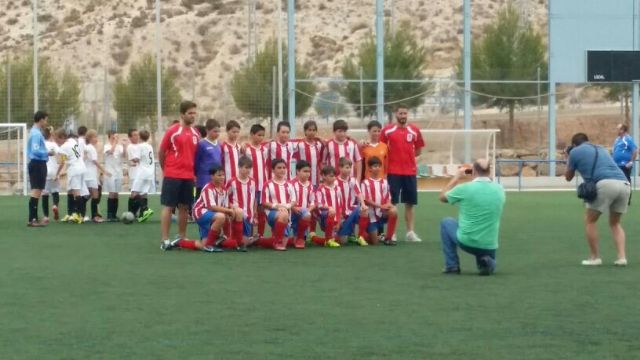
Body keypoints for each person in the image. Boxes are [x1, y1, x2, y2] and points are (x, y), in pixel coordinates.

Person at [565, 133, 631, 266]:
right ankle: (622, 257)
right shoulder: (601, 148)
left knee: (590, 220)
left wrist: (569, 157)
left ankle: (595, 257)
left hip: (605, 184)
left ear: (573, 144)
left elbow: (568, 176)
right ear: (587, 141)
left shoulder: (575, 152)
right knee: (615, 223)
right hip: (624, 184)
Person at [438, 159, 505, 276]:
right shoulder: (500, 190)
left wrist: (456, 177)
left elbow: (442, 197)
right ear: (489, 171)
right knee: (486, 260)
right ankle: (487, 262)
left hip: (468, 241)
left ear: (473, 171)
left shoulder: (465, 188)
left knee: (446, 222)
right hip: (490, 244)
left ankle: (452, 266)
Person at [159, 100, 201, 250]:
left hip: (188, 176)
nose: (193, 116)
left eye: (194, 113)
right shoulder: (173, 131)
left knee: (184, 207)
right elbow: (161, 152)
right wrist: (166, 170)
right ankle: (164, 239)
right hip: (172, 175)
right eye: (190, 113)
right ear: (182, 115)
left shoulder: (196, 133)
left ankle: (182, 237)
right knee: (168, 206)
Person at [380, 104, 425, 242]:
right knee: (392, 203)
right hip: (393, 172)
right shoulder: (388, 131)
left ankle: (410, 232)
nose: (403, 116)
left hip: (410, 172)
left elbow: (418, 151)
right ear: (395, 114)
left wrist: (408, 159)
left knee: (409, 203)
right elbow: (382, 149)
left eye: (405, 113)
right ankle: (391, 233)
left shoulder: (414, 130)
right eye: (400, 113)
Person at [168, 166, 234, 253]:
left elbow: (225, 207)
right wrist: (228, 211)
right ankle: (210, 245)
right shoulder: (208, 188)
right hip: (200, 214)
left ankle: (181, 242)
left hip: (211, 216)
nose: (222, 177)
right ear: (212, 176)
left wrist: (230, 209)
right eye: (219, 175)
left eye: (223, 175)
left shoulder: (224, 190)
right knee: (221, 216)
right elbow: (211, 207)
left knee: (203, 244)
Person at [259, 159, 296, 251]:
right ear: (273, 170)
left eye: (284, 168)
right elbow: (264, 202)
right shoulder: (267, 184)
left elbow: (294, 201)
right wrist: (278, 206)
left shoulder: (289, 184)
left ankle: (258, 241)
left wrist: (287, 206)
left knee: (285, 243)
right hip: (272, 213)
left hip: (286, 213)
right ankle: (277, 241)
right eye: (279, 168)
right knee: (283, 214)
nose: (282, 170)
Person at [361, 157, 398, 246]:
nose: (377, 168)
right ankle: (364, 235)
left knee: (394, 210)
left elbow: (388, 197)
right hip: (371, 217)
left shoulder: (384, 182)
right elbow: (365, 200)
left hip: (382, 213)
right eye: (374, 166)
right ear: (369, 168)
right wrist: (380, 206)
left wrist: (388, 205)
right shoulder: (365, 183)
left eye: (379, 166)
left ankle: (388, 238)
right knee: (374, 243)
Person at [226, 156, 258, 251]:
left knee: (245, 241)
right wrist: (231, 208)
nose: (248, 170)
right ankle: (233, 241)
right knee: (241, 241)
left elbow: (254, 198)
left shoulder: (252, 182)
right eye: (246, 167)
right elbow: (225, 197)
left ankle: (225, 242)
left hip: (249, 215)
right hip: (237, 214)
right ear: (239, 167)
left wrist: (255, 212)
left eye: (249, 168)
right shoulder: (232, 181)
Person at [336, 157, 369, 246]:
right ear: (340, 168)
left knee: (364, 210)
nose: (349, 170)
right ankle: (348, 233)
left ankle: (361, 237)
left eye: (350, 167)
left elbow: (359, 193)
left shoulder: (353, 180)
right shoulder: (335, 181)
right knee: (343, 241)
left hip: (351, 210)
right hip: (341, 213)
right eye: (346, 167)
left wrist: (363, 204)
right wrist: (339, 214)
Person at [55, 129, 86, 224]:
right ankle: (71, 214)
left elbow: (62, 162)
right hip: (81, 168)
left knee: (77, 193)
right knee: (70, 190)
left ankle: (81, 216)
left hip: (74, 170)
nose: (57, 142)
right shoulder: (72, 141)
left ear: (63, 137)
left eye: (58, 139)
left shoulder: (63, 147)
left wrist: (57, 174)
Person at [26, 111, 51, 227]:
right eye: (45, 119)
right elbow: (35, 150)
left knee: (38, 191)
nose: (46, 122)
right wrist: (48, 152)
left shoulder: (35, 132)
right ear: (41, 120)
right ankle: (32, 219)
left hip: (38, 163)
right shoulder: (36, 133)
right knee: (36, 191)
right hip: (37, 163)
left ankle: (33, 218)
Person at [244, 124, 268, 238]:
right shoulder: (246, 149)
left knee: (261, 211)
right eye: (259, 135)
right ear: (252, 135)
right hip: (250, 186)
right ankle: (249, 234)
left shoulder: (265, 149)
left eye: (263, 135)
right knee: (250, 210)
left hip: (262, 185)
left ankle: (260, 235)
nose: (261, 138)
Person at [310, 165, 343, 248]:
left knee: (340, 240)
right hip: (325, 217)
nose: (334, 178)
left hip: (336, 218)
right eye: (331, 176)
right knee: (331, 211)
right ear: (323, 176)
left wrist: (339, 222)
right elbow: (319, 204)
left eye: (334, 176)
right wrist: (329, 208)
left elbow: (340, 205)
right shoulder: (320, 189)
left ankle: (314, 238)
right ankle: (327, 239)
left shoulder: (338, 189)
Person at [85, 130, 111, 223]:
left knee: (88, 194)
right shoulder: (91, 148)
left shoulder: (86, 147)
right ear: (90, 138)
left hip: (87, 174)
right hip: (90, 174)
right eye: (95, 137)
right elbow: (95, 162)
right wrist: (104, 171)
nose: (97, 139)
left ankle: (80, 213)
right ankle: (94, 216)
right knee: (95, 195)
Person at [130, 130, 155, 223]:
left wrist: (131, 159)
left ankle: (145, 209)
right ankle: (143, 215)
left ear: (140, 137)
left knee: (134, 193)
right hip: (150, 172)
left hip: (142, 172)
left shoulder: (140, 146)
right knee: (144, 193)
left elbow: (136, 159)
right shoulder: (149, 146)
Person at [289, 160, 315, 249]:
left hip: (304, 214)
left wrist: (308, 211)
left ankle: (300, 238)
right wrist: (294, 208)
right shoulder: (291, 184)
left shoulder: (311, 185)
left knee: (307, 215)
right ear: (297, 171)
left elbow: (313, 202)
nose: (307, 174)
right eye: (305, 171)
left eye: (309, 171)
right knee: (286, 240)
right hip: (291, 213)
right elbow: (287, 200)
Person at [194, 119, 222, 200]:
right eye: (215, 131)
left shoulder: (219, 144)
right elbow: (196, 162)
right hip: (203, 180)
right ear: (207, 130)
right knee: (201, 204)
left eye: (218, 131)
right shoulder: (201, 144)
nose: (217, 134)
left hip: (215, 181)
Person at [294, 120, 324, 187]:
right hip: (302, 181)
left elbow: (320, 162)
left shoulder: (319, 144)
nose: (312, 132)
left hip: (315, 181)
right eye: (309, 130)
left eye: (314, 130)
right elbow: (294, 161)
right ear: (305, 131)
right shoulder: (300, 145)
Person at [103, 130, 124, 221]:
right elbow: (110, 152)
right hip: (110, 172)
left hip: (118, 172)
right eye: (113, 137)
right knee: (111, 192)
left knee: (116, 193)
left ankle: (114, 214)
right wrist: (114, 143)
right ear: (109, 137)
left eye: (116, 137)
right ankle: (110, 215)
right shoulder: (106, 146)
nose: (115, 139)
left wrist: (125, 145)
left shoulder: (120, 147)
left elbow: (124, 155)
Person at [42, 126, 61, 222]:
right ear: (51, 135)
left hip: (44, 170)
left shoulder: (42, 144)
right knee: (55, 191)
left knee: (45, 194)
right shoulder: (54, 144)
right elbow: (60, 154)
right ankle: (55, 205)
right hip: (54, 170)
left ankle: (46, 216)